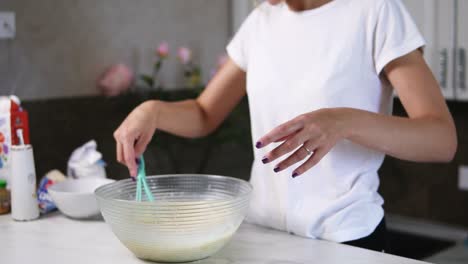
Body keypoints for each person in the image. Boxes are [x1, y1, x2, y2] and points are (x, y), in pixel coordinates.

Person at [114, 0, 457, 253]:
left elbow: (440, 138)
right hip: (261, 235)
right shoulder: (261, 21)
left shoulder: (375, 12)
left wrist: (343, 120)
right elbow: (204, 114)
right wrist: (153, 110)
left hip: (345, 241)